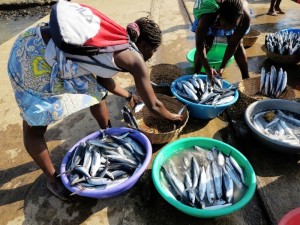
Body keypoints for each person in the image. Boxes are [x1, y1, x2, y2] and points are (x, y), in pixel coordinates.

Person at [7, 8, 182, 201]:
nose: (152, 54)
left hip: (33, 39)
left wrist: (128, 95)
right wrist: (174, 117)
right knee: (35, 125)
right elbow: (155, 106)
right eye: (153, 50)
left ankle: (107, 135)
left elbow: (103, 81)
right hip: (33, 60)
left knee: (96, 93)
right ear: (144, 44)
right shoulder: (135, 59)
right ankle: (53, 180)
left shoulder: (116, 38)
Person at [191, 0, 251, 81]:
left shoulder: (245, 18)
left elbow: (233, 44)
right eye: (224, 25)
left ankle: (246, 79)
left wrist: (223, 66)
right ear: (219, 16)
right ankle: (195, 76)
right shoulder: (208, 15)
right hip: (208, 11)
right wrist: (208, 69)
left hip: (228, 17)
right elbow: (199, 43)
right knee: (207, 43)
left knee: (239, 46)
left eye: (232, 27)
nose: (227, 30)